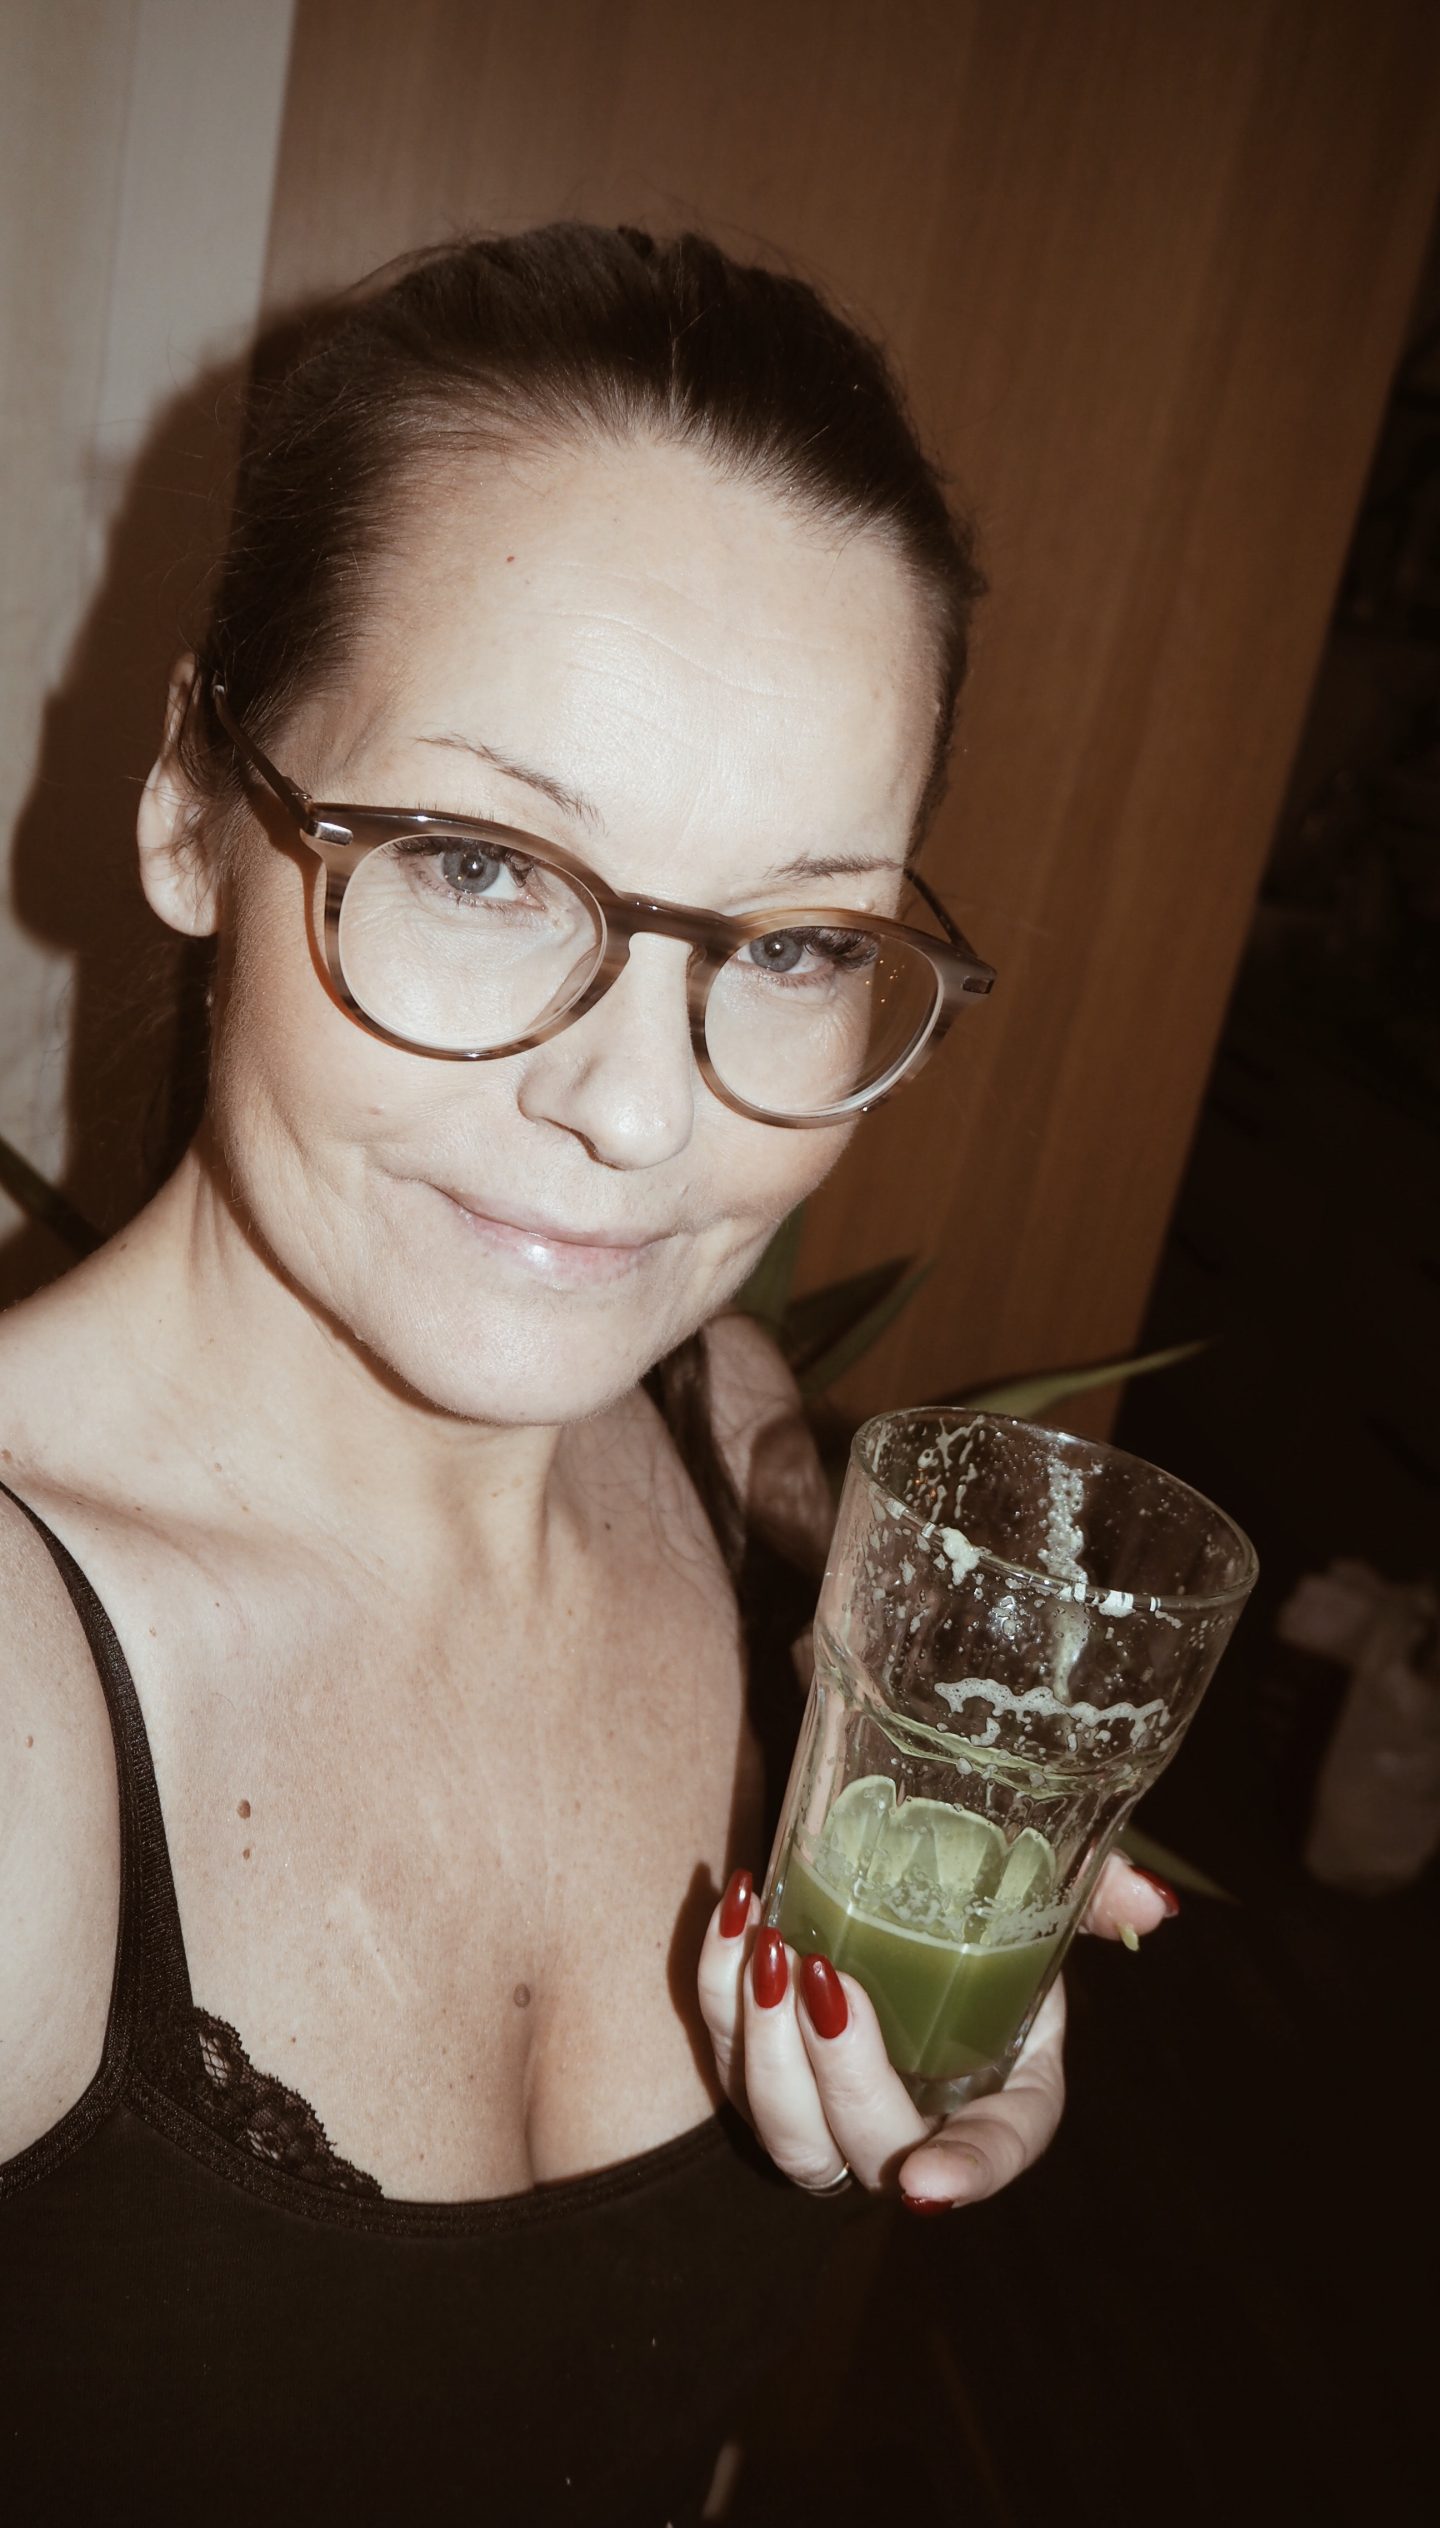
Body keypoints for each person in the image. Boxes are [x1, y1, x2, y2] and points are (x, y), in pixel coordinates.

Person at [0, 224, 1173, 2525]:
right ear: (190, 806)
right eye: (480, 862)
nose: (641, 1112)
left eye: (802, 941)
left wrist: (946, 1989)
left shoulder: (719, 1431)